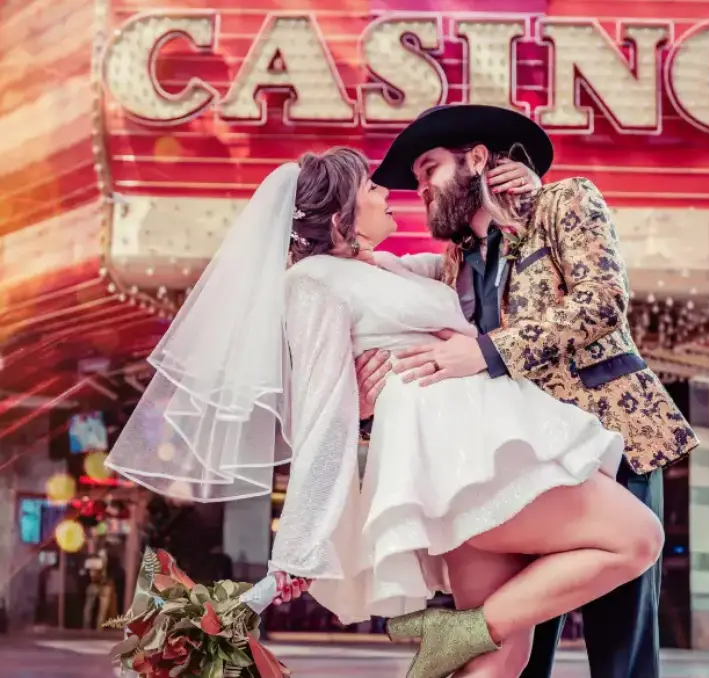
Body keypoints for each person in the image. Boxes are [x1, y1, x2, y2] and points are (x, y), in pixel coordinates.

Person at [105, 146, 664, 678]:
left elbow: (496, 250)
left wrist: (525, 197)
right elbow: (324, 412)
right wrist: (298, 551)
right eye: (373, 186)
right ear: (344, 212)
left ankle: (466, 631)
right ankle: (463, 628)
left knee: (500, 661)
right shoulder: (311, 283)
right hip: (462, 449)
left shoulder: (397, 268)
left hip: (479, 441)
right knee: (636, 539)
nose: (396, 191)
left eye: (425, 173)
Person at [352, 104, 700, 678]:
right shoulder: (450, 263)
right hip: (521, 461)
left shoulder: (566, 202)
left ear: (479, 160)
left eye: (429, 170)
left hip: (614, 438)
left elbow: (602, 303)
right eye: (416, 181)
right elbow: (426, 365)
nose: (421, 190)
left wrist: (486, 352)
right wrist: (367, 410)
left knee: (621, 639)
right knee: (516, 645)